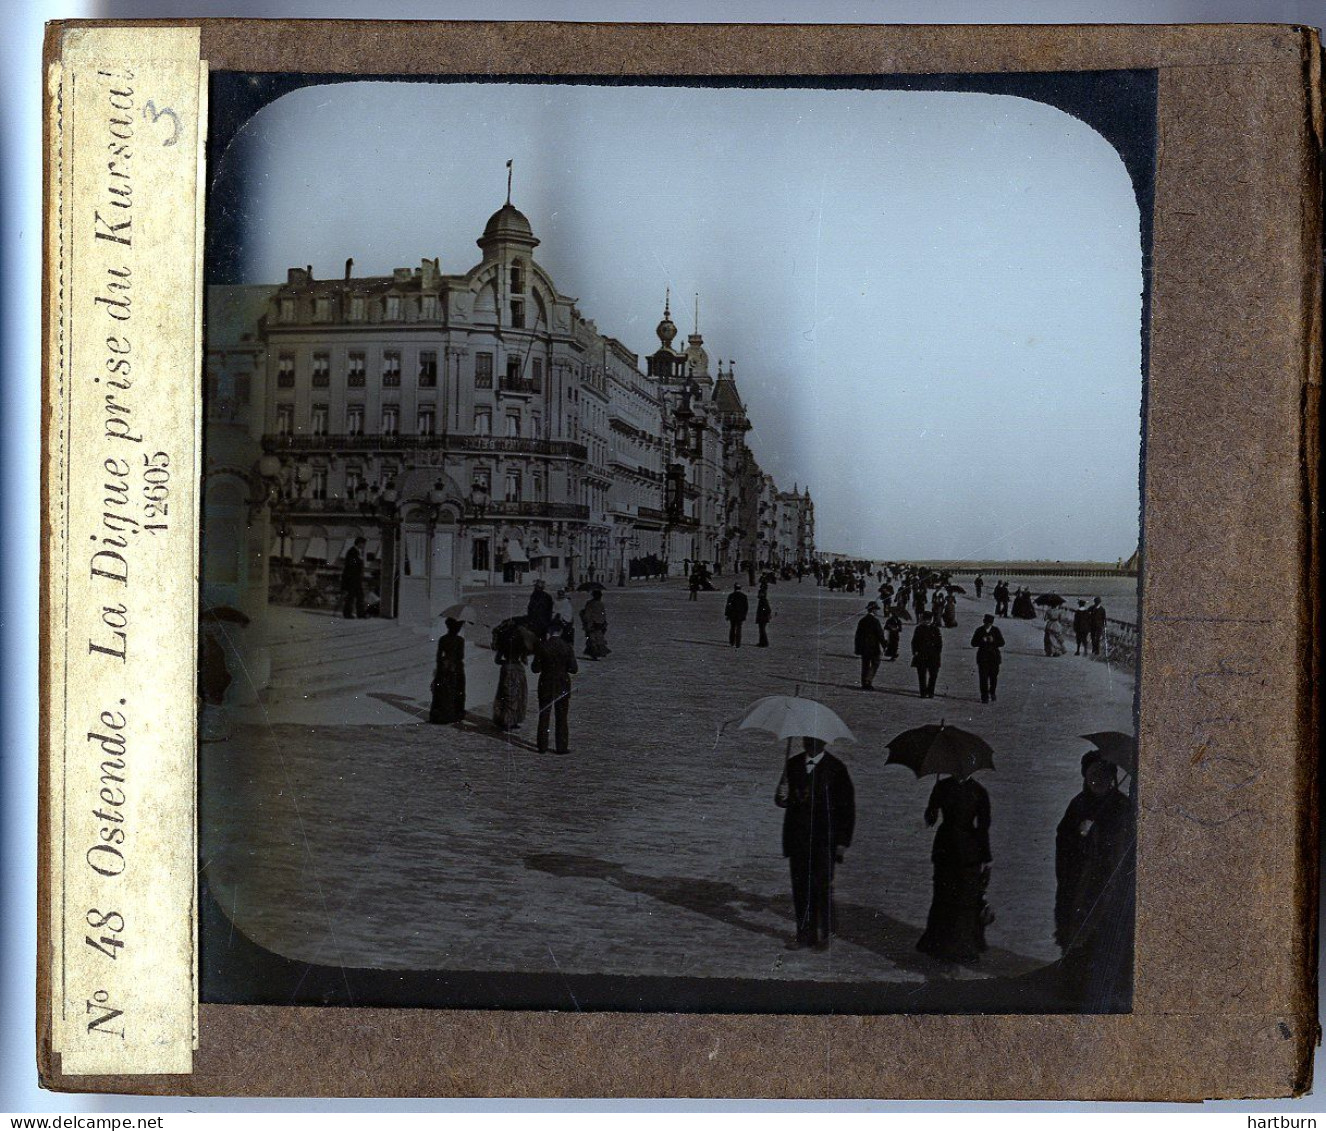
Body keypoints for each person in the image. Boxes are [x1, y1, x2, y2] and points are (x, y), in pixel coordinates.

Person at [775, 738, 855, 950]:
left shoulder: (836, 769)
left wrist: (842, 842)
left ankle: (823, 935)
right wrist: (781, 796)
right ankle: (803, 935)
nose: (810, 745)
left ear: (824, 743)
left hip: (824, 841)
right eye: (808, 741)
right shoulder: (792, 764)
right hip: (798, 838)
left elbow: (847, 809)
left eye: (815, 741)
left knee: (821, 888)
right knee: (800, 888)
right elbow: (786, 799)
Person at [1054, 756, 1133, 953]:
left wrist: (1101, 834)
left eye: (1102, 776)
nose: (1097, 781)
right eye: (1092, 777)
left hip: (1110, 876)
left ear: (1111, 779)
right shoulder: (1079, 804)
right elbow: (1063, 840)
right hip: (1080, 876)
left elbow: (1129, 842)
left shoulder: (1122, 806)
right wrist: (1080, 834)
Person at [917, 771, 993, 963]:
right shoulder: (945, 787)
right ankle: (940, 944)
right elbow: (931, 817)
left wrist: (986, 857)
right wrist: (931, 812)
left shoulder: (978, 792)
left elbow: (984, 827)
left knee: (965, 898)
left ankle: (961, 946)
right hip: (949, 850)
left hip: (966, 852)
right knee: (943, 896)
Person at [532, 624, 579, 754]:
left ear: (549, 631)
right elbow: (574, 669)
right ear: (561, 631)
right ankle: (561, 747)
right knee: (562, 717)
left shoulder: (543, 646)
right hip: (562, 683)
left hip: (546, 683)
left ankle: (542, 746)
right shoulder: (567, 647)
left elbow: (535, 668)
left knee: (544, 715)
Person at [491, 618, 530, 731]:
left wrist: (506, 662)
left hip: (506, 668)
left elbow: (497, 660)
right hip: (517, 670)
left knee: (505, 695)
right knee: (516, 696)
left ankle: (503, 719)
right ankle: (512, 720)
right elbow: (525, 660)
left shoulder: (504, 642)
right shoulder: (521, 642)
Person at [429, 617, 467, 724]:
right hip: (456, 668)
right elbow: (460, 656)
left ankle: (440, 715)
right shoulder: (460, 640)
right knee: (457, 691)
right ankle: (455, 714)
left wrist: (442, 666)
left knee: (443, 692)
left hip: (444, 668)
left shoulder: (443, 639)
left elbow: (438, 656)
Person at [970, 614, 1006, 703]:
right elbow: (973, 643)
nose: (988, 625)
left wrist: (993, 641)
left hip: (994, 658)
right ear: (984, 622)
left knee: (993, 677)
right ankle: (984, 696)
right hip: (983, 658)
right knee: (983, 678)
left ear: (992, 623)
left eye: (989, 623)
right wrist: (981, 640)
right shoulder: (979, 630)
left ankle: (992, 692)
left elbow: (1002, 643)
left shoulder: (996, 630)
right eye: (986, 623)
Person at [853, 602, 888, 689]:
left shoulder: (862, 620)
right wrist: (884, 645)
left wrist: (857, 648)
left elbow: (858, 635)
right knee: (875, 663)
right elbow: (880, 634)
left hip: (864, 647)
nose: (877, 611)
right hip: (873, 647)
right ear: (873, 610)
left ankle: (864, 683)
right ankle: (868, 680)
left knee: (865, 665)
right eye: (876, 609)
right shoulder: (875, 621)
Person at [910, 610, 943, 698]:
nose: (927, 621)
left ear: (931, 620)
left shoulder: (935, 629)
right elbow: (914, 642)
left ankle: (931, 691)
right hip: (921, 655)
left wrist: (937, 653)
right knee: (922, 675)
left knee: (933, 675)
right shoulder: (919, 629)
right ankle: (923, 692)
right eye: (925, 619)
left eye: (928, 619)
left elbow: (939, 643)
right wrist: (915, 652)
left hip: (933, 656)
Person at [340, 536, 367, 619]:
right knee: (351, 596)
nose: (364, 546)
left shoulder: (358, 552)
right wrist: (359, 561)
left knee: (360, 596)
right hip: (351, 578)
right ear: (359, 543)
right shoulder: (352, 551)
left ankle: (360, 614)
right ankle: (347, 613)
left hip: (357, 578)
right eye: (363, 544)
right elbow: (351, 564)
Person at [580, 588, 611, 659]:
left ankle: (595, 653)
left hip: (592, 624)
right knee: (599, 638)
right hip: (599, 624)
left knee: (592, 639)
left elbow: (587, 615)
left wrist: (585, 621)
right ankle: (600, 652)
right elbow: (603, 614)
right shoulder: (601, 604)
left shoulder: (590, 603)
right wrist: (604, 622)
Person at [725, 582, 749, 648]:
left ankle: (732, 642)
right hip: (740, 615)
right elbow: (746, 607)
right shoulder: (744, 596)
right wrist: (744, 614)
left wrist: (727, 614)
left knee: (732, 628)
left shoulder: (731, 595)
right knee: (739, 629)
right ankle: (738, 643)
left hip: (732, 615)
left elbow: (728, 606)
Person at [756, 583, 773, 647]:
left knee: (762, 630)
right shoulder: (763, 600)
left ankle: (764, 642)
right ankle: (762, 642)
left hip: (762, 617)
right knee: (762, 630)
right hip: (763, 617)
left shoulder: (762, 601)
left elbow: (766, 609)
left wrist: (764, 614)